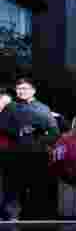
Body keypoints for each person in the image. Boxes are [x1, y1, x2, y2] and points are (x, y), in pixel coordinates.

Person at [0, 78, 59, 220]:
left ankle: (36, 220)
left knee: (36, 192)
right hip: (15, 156)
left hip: (37, 156)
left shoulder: (43, 108)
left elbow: (54, 132)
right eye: (19, 88)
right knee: (12, 193)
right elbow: (2, 126)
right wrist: (20, 130)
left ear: (33, 91)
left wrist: (39, 136)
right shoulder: (10, 107)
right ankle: (10, 220)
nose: (22, 91)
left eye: (25, 88)